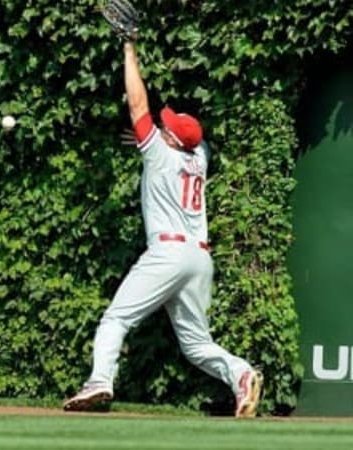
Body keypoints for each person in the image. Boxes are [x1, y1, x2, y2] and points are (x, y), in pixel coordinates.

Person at [63, 37, 263, 418]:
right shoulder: (199, 157)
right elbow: (178, 139)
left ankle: (100, 380)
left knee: (116, 319)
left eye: (166, 127)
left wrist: (129, 49)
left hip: (168, 252)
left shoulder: (158, 153)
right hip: (199, 258)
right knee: (196, 345)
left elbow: (139, 106)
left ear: (170, 139)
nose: (161, 124)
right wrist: (150, 138)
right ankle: (241, 373)